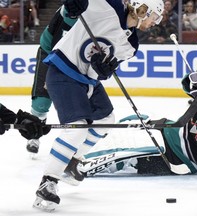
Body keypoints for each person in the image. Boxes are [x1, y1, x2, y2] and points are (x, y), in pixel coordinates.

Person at [32, 0, 165, 212]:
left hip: (86, 81)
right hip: (63, 71)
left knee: (105, 119)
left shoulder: (131, 45)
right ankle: (48, 182)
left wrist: (103, 70)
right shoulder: (109, 6)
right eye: (155, 16)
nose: (155, 22)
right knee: (76, 129)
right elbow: (79, 4)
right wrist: (72, 6)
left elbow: (102, 72)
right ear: (143, 9)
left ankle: (71, 161)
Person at [77, 64, 197, 178]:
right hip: (168, 130)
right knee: (124, 130)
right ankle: (77, 154)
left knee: (127, 156)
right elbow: (186, 84)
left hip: (178, 160)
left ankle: (80, 167)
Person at [26, 2, 83, 155]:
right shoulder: (71, 10)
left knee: (77, 103)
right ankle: (34, 135)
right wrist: (51, 76)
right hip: (50, 52)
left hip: (75, 57)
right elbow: (58, 44)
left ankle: (76, 141)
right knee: (41, 102)